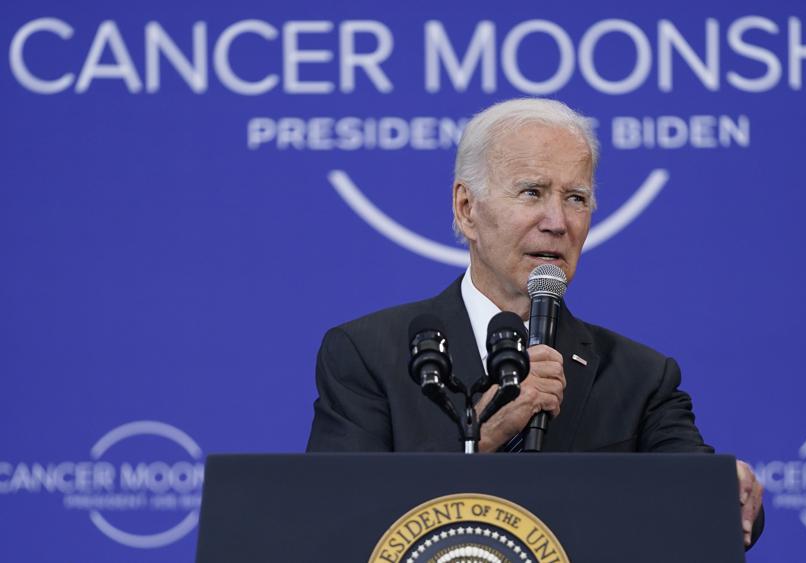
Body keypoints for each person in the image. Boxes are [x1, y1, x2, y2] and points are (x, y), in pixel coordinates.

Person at [307, 98, 764, 547]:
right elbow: (334, 521)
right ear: (467, 209)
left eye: (576, 198)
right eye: (532, 192)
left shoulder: (640, 377)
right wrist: (479, 442)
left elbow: (704, 499)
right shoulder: (369, 354)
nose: (557, 222)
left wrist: (731, 488)